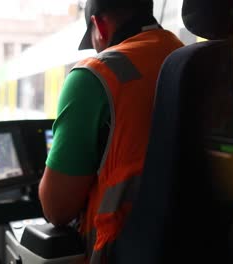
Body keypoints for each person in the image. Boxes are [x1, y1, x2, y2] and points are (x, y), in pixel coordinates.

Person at [38, 0, 184, 262]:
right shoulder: (183, 56)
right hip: (187, 239)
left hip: (115, 249)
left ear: (99, 26)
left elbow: (57, 209)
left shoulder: (95, 74)